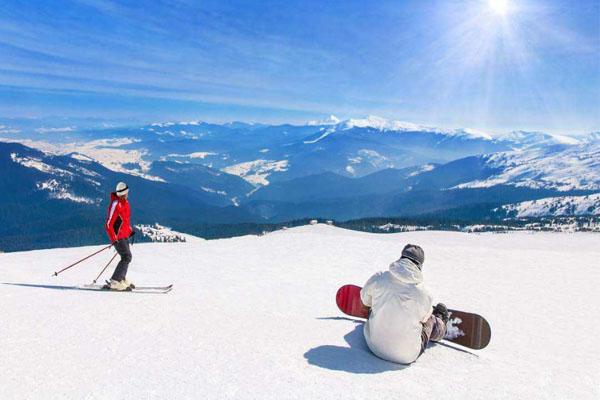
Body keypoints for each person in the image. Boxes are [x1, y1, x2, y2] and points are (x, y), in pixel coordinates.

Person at [360, 244, 449, 364]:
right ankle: (440, 325)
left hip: (373, 346)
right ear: (420, 265)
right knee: (431, 320)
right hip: (406, 355)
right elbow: (424, 320)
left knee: (375, 304)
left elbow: (365, 301)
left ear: (401, 257)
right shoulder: (424, 293)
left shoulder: (379, 277)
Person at [104, 182, 134, 290]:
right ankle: (115, 281)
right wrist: (114, 239)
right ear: (124, 193)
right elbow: (108, 224)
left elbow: (124, 220)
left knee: (126, 257)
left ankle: (121, 278)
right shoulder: (116, 204)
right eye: (127, 192)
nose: (128, 194)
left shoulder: (125, 202)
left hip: (124, 235)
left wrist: (129, 231)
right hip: (118, 237)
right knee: (127, 257)